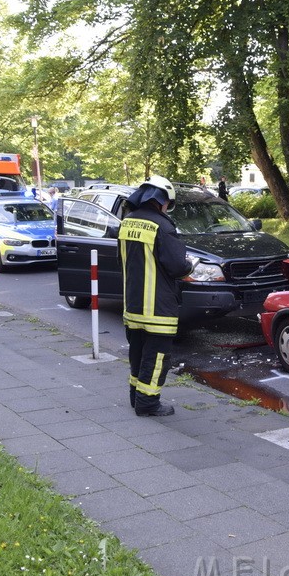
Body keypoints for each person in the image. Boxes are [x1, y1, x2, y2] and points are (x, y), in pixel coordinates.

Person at [119, 175, 194, 416]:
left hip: (132, 305)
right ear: (162, 200)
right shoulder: (162, 226)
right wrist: (190, 265)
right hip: (159, 308)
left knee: (138, 354)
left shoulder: (127, 222)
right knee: (157, 357)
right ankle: (148, 404)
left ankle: (135, 398)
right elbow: (177, 266)